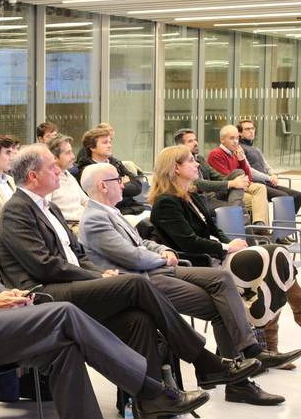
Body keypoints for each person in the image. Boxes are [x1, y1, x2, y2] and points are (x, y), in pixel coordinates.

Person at [0, 167, 211, 419]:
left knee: (63, 348)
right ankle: (151, 390)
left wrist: (5, 294)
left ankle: (142, 398)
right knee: (63, 312)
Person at [0, 144, 259, 390]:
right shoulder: (16, 210)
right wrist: (95, 275)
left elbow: (76, 254)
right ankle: (203, 360)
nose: (59, 171)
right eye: (52, 167)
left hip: (71, 283)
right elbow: (45, 266)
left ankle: (154, 398)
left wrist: (98, 274)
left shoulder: (49, 207)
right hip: (46, 292)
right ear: (32, 176)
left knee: (139, 320)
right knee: (136, 282)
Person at [79, 163, 300, 405]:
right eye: (117, 180)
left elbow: (142, 243)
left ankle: (249, 351)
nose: (123, 183)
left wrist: (162, 249)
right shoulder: (94, 219)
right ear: (102, 186)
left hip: (160, 269)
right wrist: (161, 257)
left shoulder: (111, 212)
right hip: (144, 279)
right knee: (222, 307)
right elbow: (131, 256)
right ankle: (240, 381)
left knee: (223, 282)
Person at [148, 145, 301, 357]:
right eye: (191, 161)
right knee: (275, 255)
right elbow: (188, 243)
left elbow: (215, 230)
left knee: (274, 265)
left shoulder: (190, 195)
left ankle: (271, 344)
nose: (197, 164)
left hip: (218, 256)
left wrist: (233, 244)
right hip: (200, 263)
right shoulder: (166, 202)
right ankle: (288, 322)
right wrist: (228, 248)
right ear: (176, 168)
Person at [207, 125, 270, 229]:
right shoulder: (215, 154)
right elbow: (226, 178)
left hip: (242, 185)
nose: (236, 141)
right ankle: (260, 231)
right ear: (222, 140)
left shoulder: (236, 153)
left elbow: (249, 177)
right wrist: (242, 181)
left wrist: (241, 160)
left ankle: (259, 225)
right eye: (231, 138)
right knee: (260, 202)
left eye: (237, 138)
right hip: (228, 191)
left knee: (261, 188)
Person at [174, 128, 246, 216]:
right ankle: (236, 211)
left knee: (238, 173)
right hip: (199, 199)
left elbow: (219, 177)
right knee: (240, 209)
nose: (196, 143)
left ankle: (235, 210)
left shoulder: (200, 159)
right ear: (181, 146)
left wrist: (239, 181)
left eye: (195, 140)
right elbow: (198, 183)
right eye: (190, 141)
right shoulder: (179, 162)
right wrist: (232, 183)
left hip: (213, 194)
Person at [76, 127, 145, 215]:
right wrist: (124, 183)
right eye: (105, 142)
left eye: (110, 142)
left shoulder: (115, 163)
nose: (109, 145)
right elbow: (102, 196)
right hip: (114, 212)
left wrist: (114, 186)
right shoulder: (88, 170)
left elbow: (137, 186)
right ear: (92, 148)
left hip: (133, 208)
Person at [238, 119, 301, 213]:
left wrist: (274, 174)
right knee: (284, 197)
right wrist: (269, 178)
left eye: (252, 128)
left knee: (297, 195)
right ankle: (282, 224)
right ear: (240, 133)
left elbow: (266, 166)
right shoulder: (240, 148)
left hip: (267, 182)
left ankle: (289, 223)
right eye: (247, 129)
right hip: (257, 184)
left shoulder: (255, 149)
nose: (251, 131)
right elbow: (249, 170)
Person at [46, 135, 88, 230]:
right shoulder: (49, 180)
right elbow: (46, 210)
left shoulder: (68, 175)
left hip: (83, 222)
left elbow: (85, 201)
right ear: (54, 157)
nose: (73, 156)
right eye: (68, 153)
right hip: (69, 227)